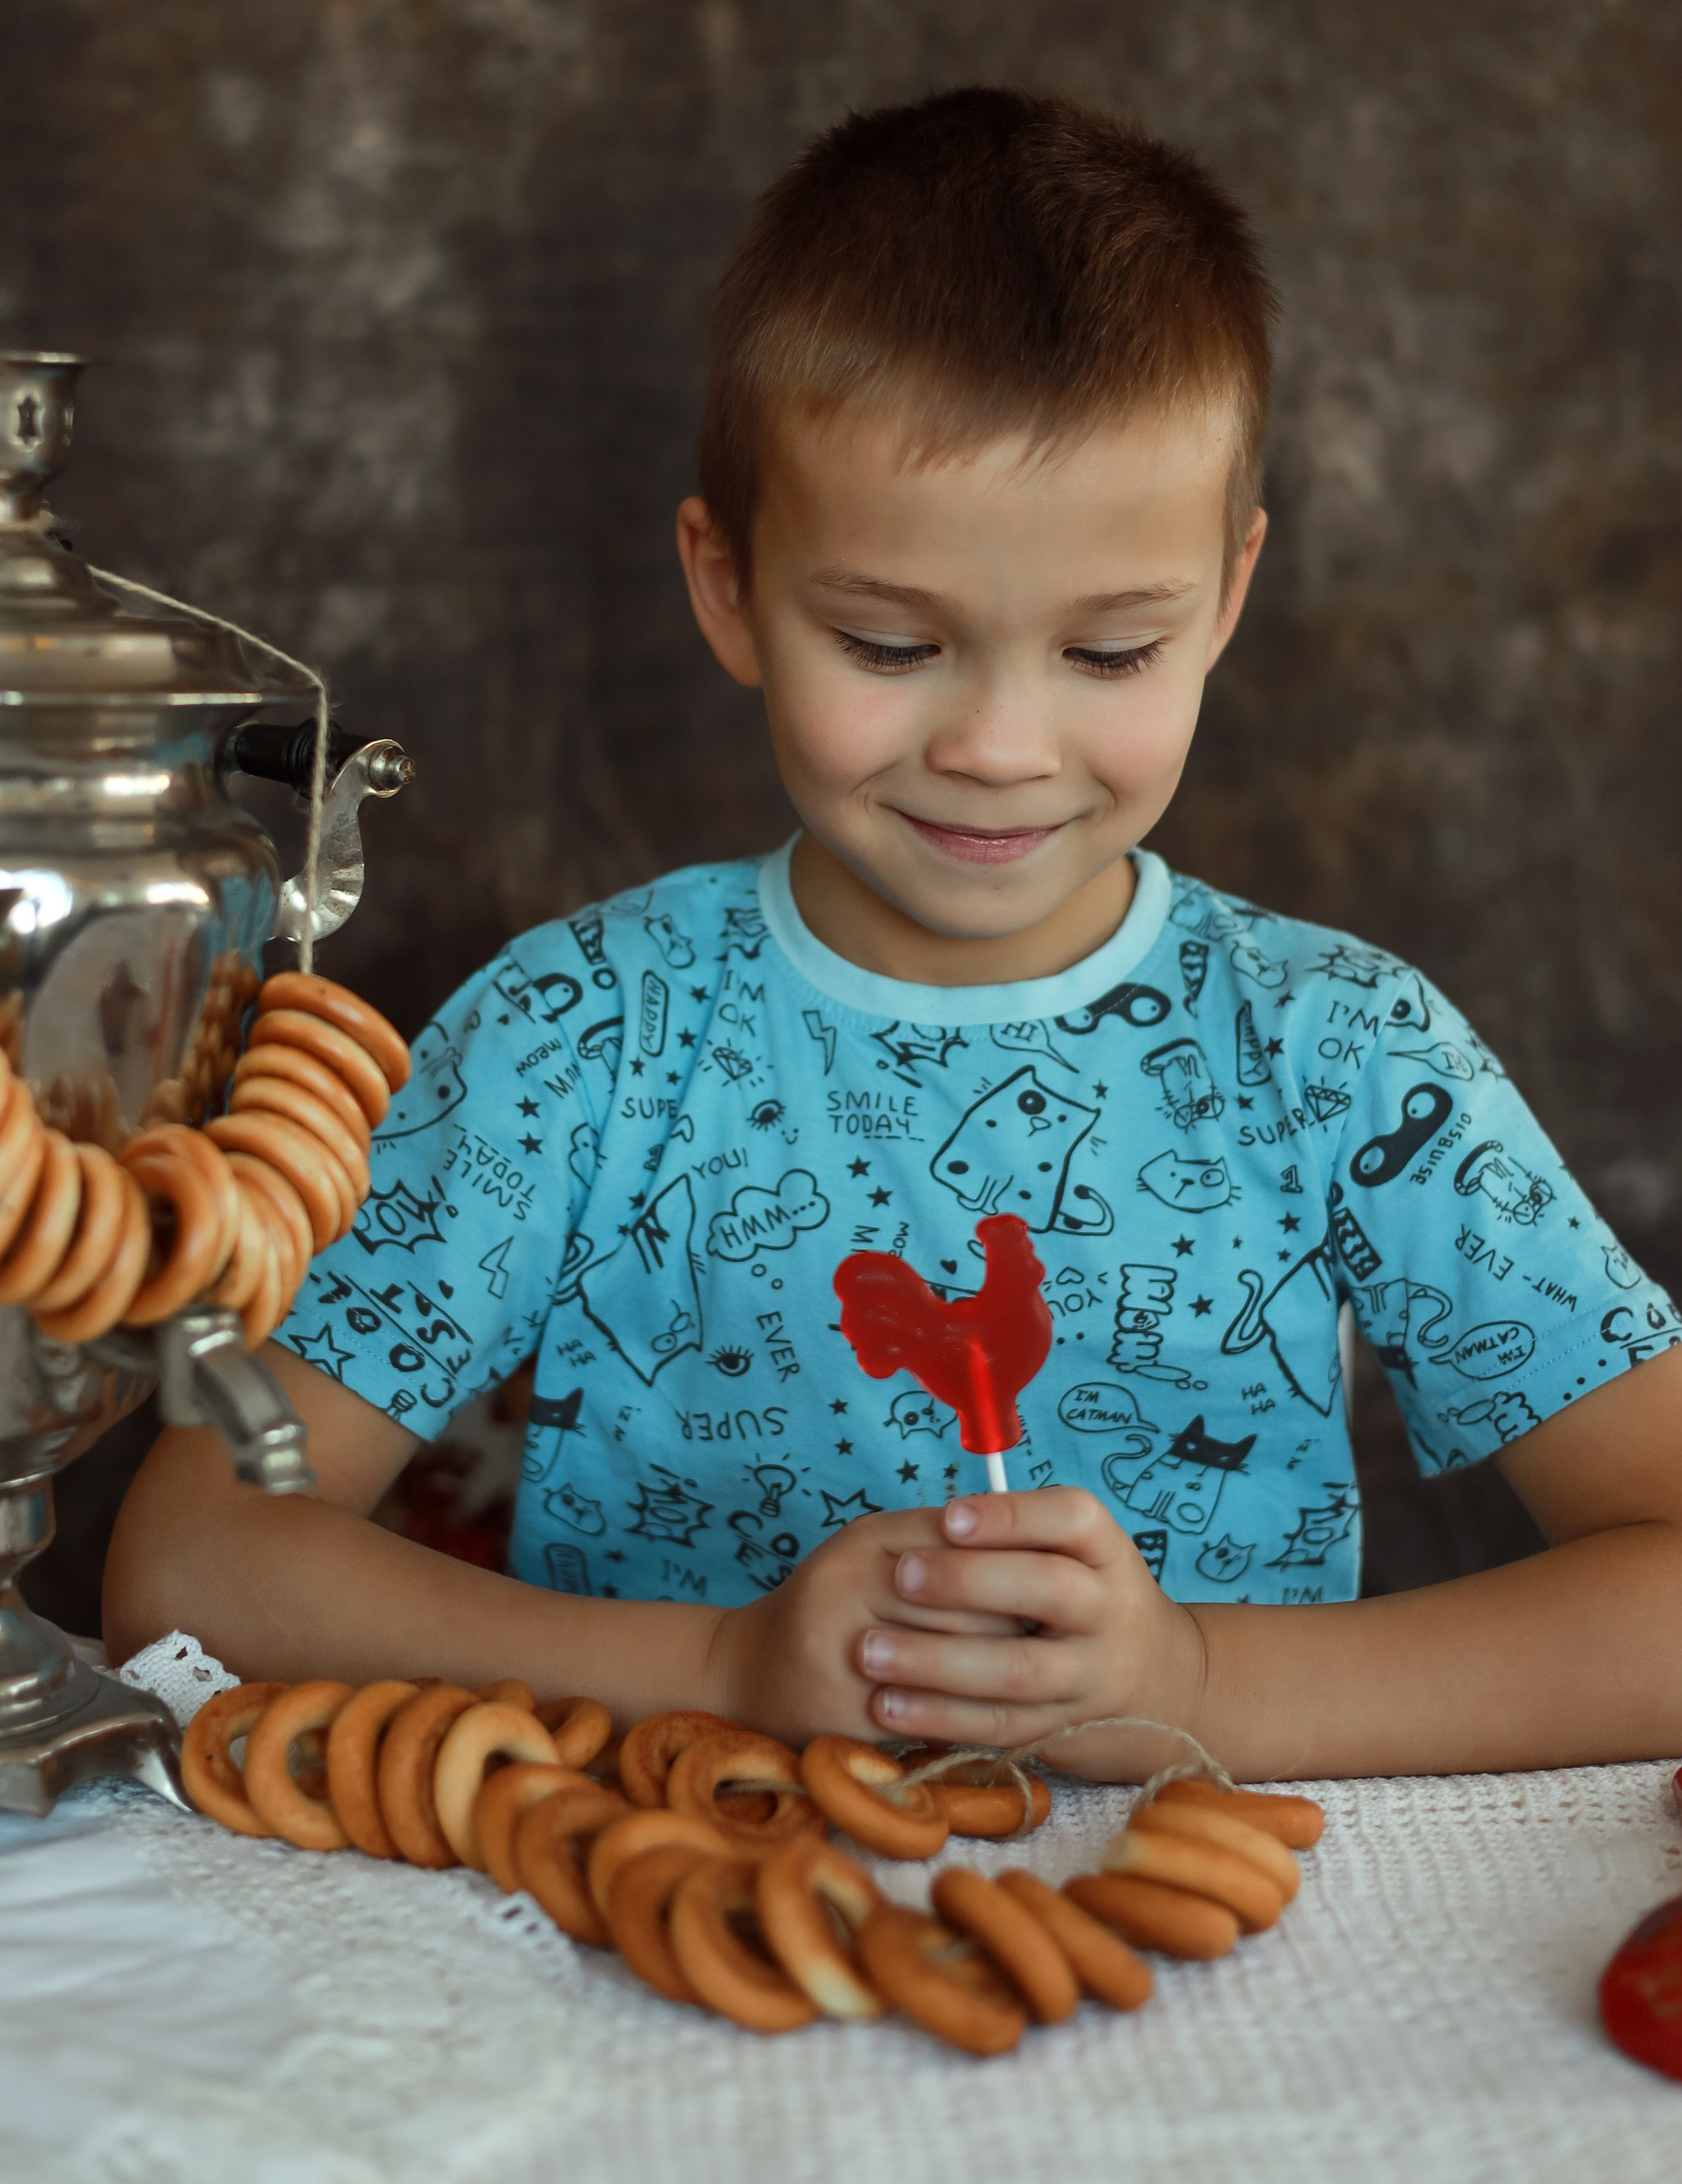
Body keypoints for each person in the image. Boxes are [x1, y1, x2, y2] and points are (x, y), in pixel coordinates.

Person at [106, 88, 1682, 1783]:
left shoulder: (1344, 1051)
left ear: (1225, 597)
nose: (1001, 748)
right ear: (730, 589)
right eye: (887, 641)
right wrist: (723, 1662)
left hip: (1219, 1968)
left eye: (1108, 654)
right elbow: (187, 1570)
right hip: (635, 1966)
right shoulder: (583, 1033)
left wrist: (1194, 1684)